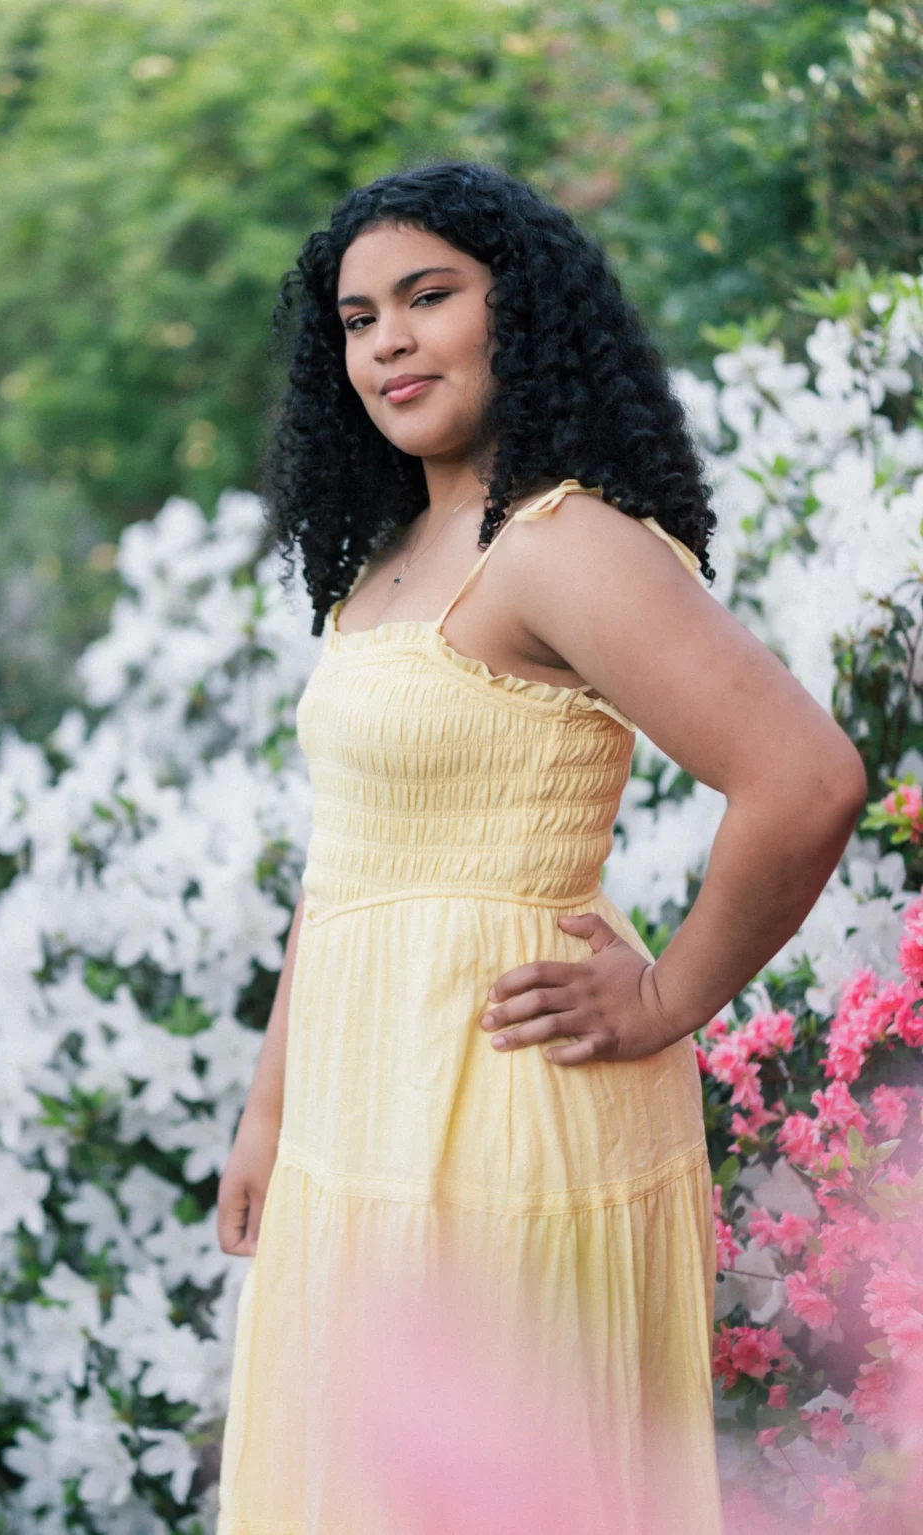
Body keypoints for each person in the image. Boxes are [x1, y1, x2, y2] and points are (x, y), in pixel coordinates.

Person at [214, 160, 867, 1534]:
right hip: (362, 1111)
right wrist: (272, 1106)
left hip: (508, 1106)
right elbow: (354, 860)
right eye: (356, 317)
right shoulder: (393, 553)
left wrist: (670, 994)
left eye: (428, 296)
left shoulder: (562, 542)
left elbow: (805, 781)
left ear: (526, 311)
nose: (387, 339)